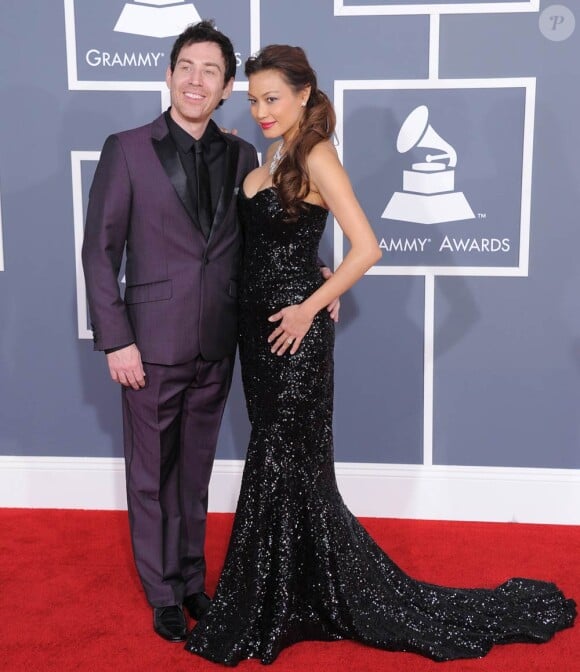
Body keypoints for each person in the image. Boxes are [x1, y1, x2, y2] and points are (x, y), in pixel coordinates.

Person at [184, 45, 576, 665]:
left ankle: (272, 601)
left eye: (273, 98)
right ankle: (293, 594)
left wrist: (313, 302)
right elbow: (278, 237)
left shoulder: (315, 153)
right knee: (289, 468)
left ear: (305, 94)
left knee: (281, 461)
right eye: (254, 98)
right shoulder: (273, 152)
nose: (261, 109)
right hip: (259, 338)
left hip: (294, 337)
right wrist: (311, 272)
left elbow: (367, 247)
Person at [81, 21, 260, 643]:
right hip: (148, 346)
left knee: (196, 472)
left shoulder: (243, 156)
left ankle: (191, 581)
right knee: (151, 473)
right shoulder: (126, 148)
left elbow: (252, 243)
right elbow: (99, 252)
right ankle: (161, 592)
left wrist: (314, 273)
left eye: (210, 71)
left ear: (227, 87)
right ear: (169, 74)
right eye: (186, 66)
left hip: (217, 341)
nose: (195, 79)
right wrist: (118, 339)